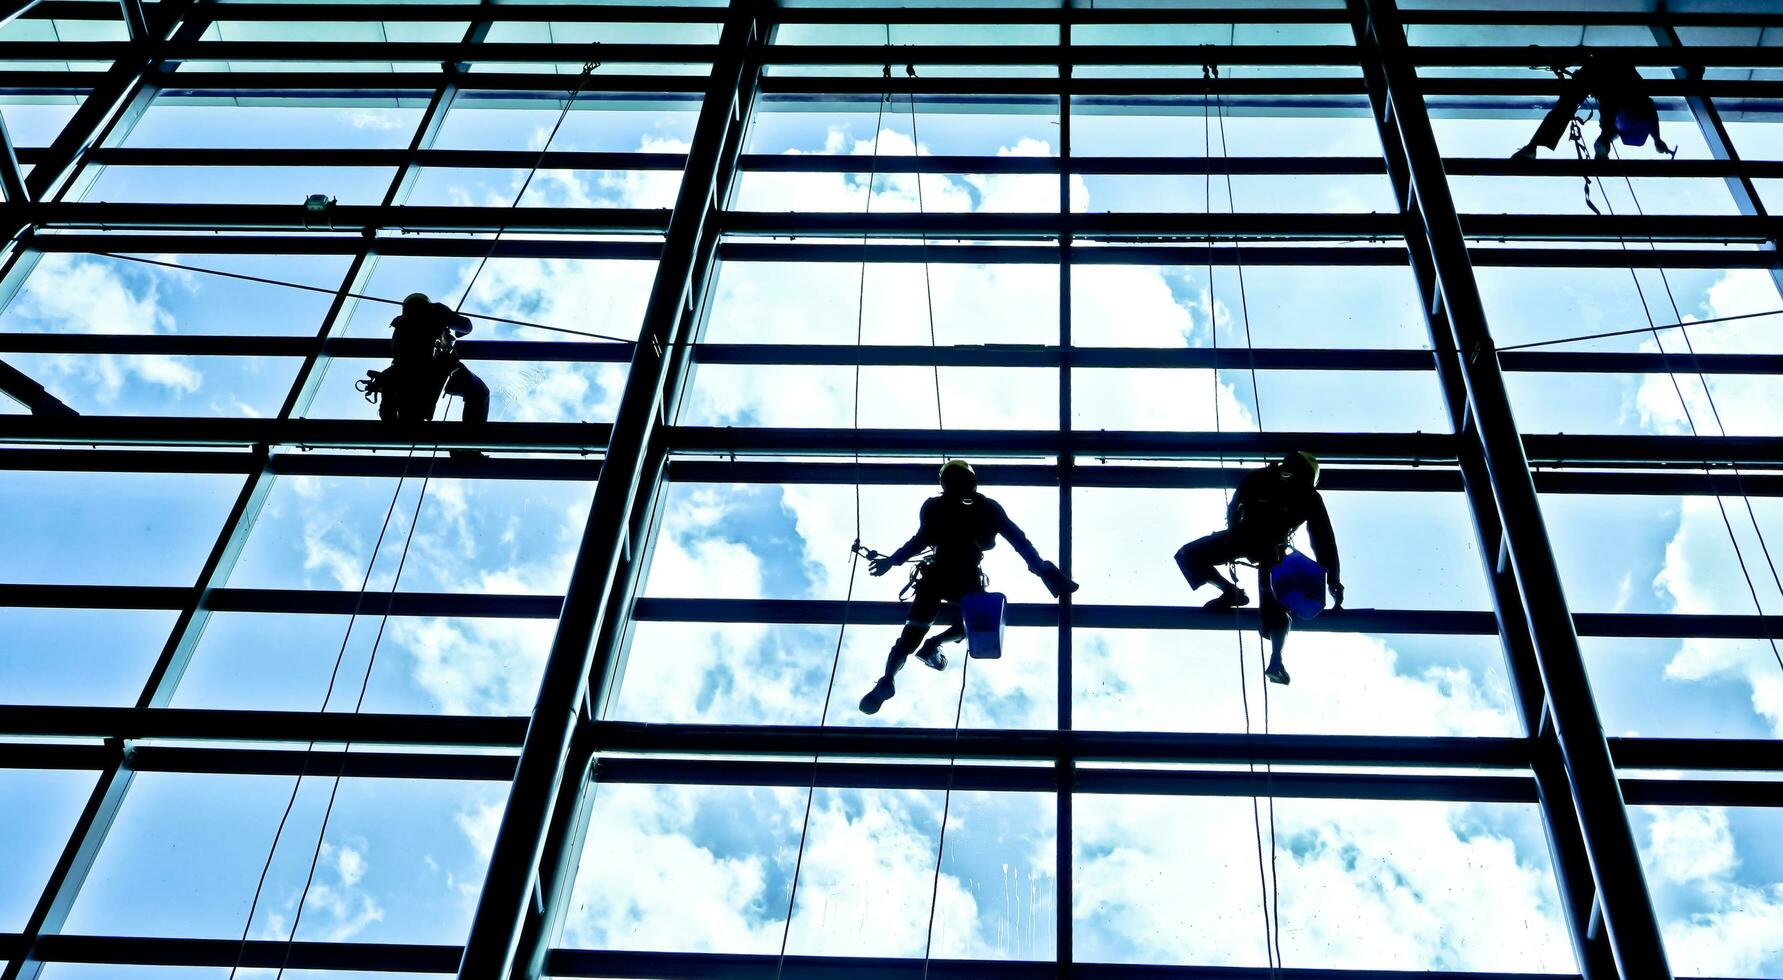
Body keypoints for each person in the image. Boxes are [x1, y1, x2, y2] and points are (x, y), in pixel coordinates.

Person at [858, 459, 1077, 715]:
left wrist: (892, 561)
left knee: (910, 636)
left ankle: (888, 677)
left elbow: (919, 541)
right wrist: (1041, 570)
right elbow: (1021, 542)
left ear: (943, 484)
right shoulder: (988, 509)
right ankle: (935, 643)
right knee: (977, 625)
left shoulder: (934, 507)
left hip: (935, 576)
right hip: (966, 576)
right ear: (972, 482)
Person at [1174, 451, 1343, 686]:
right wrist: (1332, 577)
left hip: (1245, 538)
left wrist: (1233, 534)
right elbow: (1322, 540)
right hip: (1270, 548)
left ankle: (1229, 592)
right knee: (1275, 607)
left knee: (1188, 556)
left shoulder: (1261, 476)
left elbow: (1235, 505)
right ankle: (1276, 659)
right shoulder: (1308, 494)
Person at [377, 292, 490, 461]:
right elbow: (466, 326)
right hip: (439, 369)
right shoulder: (435, 310)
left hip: (407, 376)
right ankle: (468, 446)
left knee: (411, 419)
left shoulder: (400, 324)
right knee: (479, 392)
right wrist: (451, 324)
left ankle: (401, 412)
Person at [1512, 51, 1673, 161]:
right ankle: (1533, 147)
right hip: (1608, 76)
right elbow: (1648, 113)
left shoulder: (1641, 107)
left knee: (1566, 107)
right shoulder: (1635, 107)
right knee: (1572, 107)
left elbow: (1650, 113)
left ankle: (1533, 147)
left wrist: (1657, 139)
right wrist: (1657, 139)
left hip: (1607, 75)